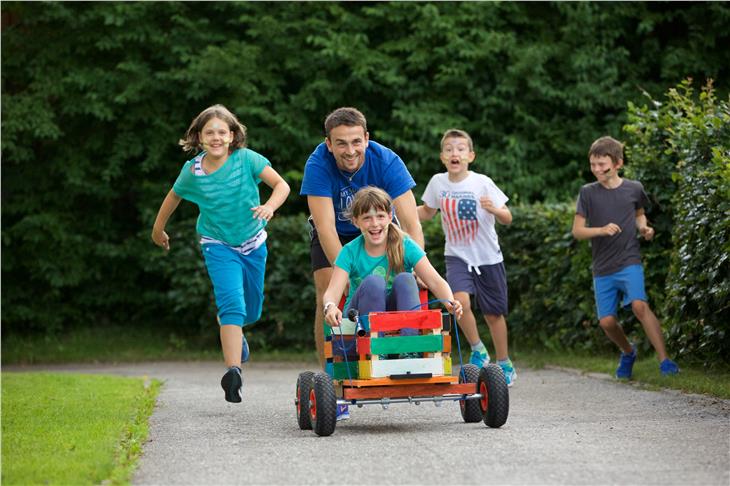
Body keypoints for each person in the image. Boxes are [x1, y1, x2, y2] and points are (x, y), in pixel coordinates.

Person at [151, 104, 291, 403]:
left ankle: (234, 334)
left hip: (253, 244)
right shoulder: (193, 172)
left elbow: (281, 185)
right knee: (232, 306)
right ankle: (233, 372)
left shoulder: (247, 160)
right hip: (217, 243)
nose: (216, 137)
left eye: (221, 132)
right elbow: (173, 197)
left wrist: (269, 206)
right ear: (199, 137)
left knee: (250, 310)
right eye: (209, 132)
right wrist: (158, 229)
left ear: (232, 136)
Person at [323, 186, 463, 420]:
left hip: (398, 324)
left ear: (390, 216)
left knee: (408, 279)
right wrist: (330, 307)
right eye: (367, 218)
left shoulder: (404, 244)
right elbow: (332, 292)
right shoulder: (350, 251)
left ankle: (408, 352)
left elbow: (435, 280)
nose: (374, 223)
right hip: (362, 322)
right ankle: (380, 354)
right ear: (356, 222)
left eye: (380, 216)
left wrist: (450, 302)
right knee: (375, 283)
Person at [300, 107, 424, 368]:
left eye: (356, 142)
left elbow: (411, 221)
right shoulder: (318, 164)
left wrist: (417, 268)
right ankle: (331, 370)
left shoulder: (387, 161)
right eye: (341, 143)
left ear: (366, 139)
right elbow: (326, 228)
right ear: (329, 145)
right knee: (327, 287)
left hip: (380, 229)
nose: (350, 150)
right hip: (337, 234)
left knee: (400, 282)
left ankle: (401, 353)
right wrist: (342, 275)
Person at [572, 136, 679, 379]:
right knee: (607, 322)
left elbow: (639, 214)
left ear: (618, 163)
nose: (597, 170)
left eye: (602, 164)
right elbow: (577, 231)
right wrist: (601, 230)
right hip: (602, 267)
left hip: (629, 259)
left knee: (640, 305)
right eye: (593, 165)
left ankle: (665, 360)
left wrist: (644, 228)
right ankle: (629, 352)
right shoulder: (587, 193)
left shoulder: (634, 188)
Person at [418, 129, 517, 386]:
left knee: (494, 314)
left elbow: (507, 217)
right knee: (458, 301)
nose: (455, 153)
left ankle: (504, 362)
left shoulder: (482, 182)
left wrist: (494, 209)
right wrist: (393, 208)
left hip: (488, 257)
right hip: (457, 255)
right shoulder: (438, 183)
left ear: (470, 156)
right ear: (442, 157)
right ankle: (478, 349)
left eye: (461, 149)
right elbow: (427, 213)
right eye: (449, 149)